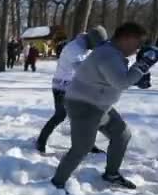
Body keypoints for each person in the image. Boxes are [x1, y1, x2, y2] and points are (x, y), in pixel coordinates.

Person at [51, 22, 158, 191]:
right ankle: (56, 184)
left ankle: (111, 174)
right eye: (137, 44)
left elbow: (114, 78)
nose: (138, 49)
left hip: (100, 104)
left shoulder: (112, 53)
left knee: (121, 135)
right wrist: (142, 65)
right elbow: (121, 82)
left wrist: (138, 77)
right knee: (82, 148)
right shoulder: (108, 55)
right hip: (83, 105)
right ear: (127, 38)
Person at [36, 26, 108, 154]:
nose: (96, 48)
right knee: (60, 115)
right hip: (62, 87)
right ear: (92, 41)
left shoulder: (87, 44)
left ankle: (87, 144)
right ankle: (41, 141)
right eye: (96, 45)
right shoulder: (74, 49)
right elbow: (83, 71)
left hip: (76, 86)